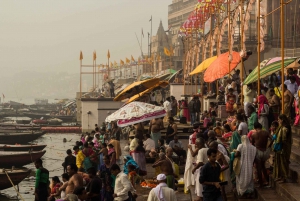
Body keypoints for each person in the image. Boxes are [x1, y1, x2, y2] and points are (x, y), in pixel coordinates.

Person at [273, 114, 292, 183]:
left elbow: (284, 140)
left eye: (279, 120)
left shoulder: (285, 128)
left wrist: (281, 147)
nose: (278, 121)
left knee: (283, 163)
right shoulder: (281, 127)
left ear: (282, 120)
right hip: (279, 147)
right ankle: (280, 176)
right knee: (279, 163)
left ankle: (284, 178)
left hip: (283, 148)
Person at [251, 122, 272, 187]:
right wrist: (269, 147)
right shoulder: (266, 133)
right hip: (265, 151)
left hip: (258, 151)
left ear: (255, 128)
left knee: (259, 168)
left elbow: (252, 144)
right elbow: (273, 138)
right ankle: (267, 181)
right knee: (263, 166)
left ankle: (261, 183)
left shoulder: (254, 134)